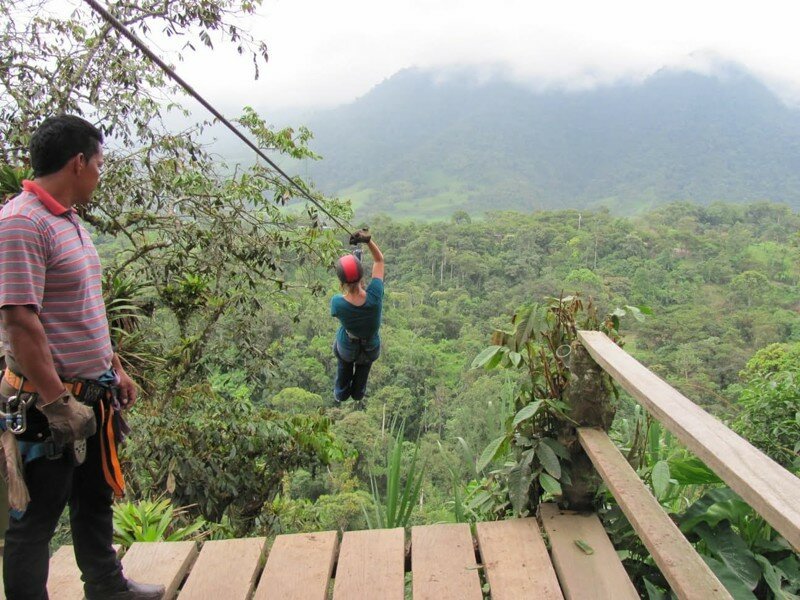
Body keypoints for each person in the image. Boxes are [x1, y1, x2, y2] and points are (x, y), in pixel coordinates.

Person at [0, 116, 165, 600]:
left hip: (92, 394)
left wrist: (114, 367)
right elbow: (19, 320)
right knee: (35, 519)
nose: (99, 172)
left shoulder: (66, 220)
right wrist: (56, 403)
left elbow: (82, 309)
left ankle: (107, 586)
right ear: (78, 163)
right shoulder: (21, 223)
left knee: (93, 500)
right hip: (47, 406)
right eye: (98, 163)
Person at [331, 229, 384, 404]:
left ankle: (341, 394)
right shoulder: (375, 296)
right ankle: (358, 394)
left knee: (343, 361)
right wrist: (368, 241)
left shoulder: (337, 303)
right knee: (363, 368)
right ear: (362, 276)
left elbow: (342, 308)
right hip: (370, 348)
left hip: (347, 349)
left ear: (341, 283)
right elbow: (379, 260)